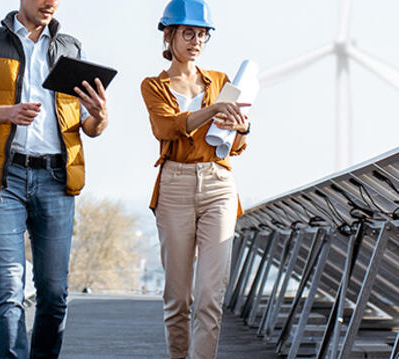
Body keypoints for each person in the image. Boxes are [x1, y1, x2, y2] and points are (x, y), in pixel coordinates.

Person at [0, 0, 108, 358]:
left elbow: (89, 127)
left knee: (54, 292)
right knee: (8, 286)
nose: (50, 2)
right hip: (3, 179)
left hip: (55, 178)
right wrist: (8, 112)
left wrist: (100, 116)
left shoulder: (71, 49)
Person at [140, 0, 250, 358]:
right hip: (174, 184)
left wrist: (242, 127)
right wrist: (212, 110)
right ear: (169, 34)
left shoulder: (220, 82)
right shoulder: (153, 86)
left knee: (210, 295)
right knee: (178, 298)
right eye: (188, 32)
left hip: (218, 185)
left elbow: (236, 146)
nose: (196, 41)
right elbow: (167, 127)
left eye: (203, 34)